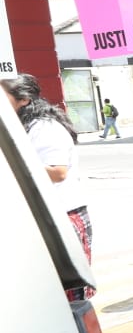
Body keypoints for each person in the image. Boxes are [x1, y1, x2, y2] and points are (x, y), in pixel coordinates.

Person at [3, 74, 90, 282]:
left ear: (23, 99)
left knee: (71, 294)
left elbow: (58, 172)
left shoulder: (44, 127)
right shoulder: (21, 127)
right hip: (41, 218)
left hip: (61, 218)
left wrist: (13, 164)